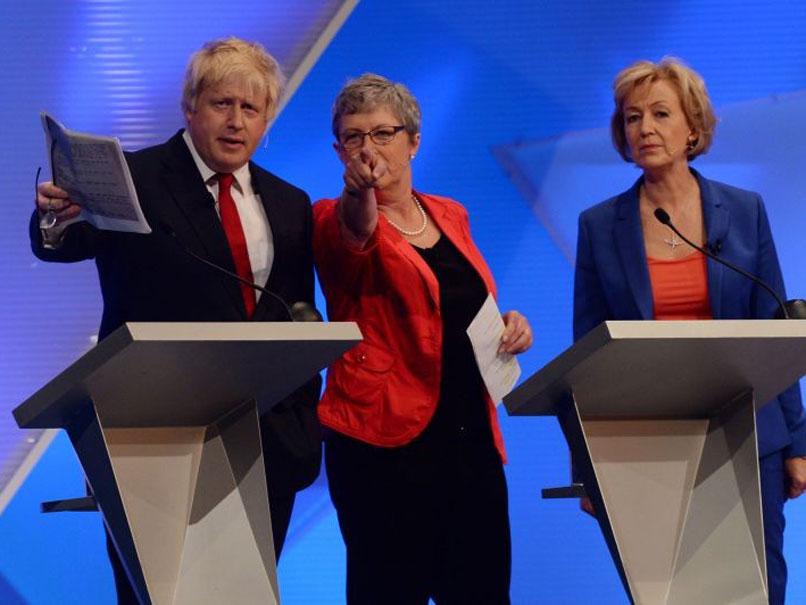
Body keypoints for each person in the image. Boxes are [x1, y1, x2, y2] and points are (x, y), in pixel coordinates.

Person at [30, 37, 320, 603]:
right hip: (155, 442)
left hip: (266, 446)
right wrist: (54, 219)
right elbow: (65, 242)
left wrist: (301, 421)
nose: (236, 122)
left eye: (251, 109)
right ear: (190, 107)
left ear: (267, 121)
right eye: (221, 104)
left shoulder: (290, 203)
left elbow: (293, 318)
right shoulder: (132, 178)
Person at [573, 57, 806, 604]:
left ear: (693, 128)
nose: (645, 129)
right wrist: (585, 465)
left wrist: (797, 442)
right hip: (648, 443)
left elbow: (777, 333)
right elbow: (586, 353)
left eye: (660, 114)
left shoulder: (745, 211)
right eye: (632, 119)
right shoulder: (600, 226)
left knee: (760, 589)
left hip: (750, 433)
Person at [313, 73, 533, 605]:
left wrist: (509, 325)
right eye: (353, 136)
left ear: (413, 141)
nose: (368, 148)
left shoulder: (450, 212)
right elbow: (356, 234)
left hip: (469, 441)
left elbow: (461, 301)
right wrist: (358, 188)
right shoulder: (330, 216)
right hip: (382, 447)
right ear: (339, 149)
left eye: (382, 133)